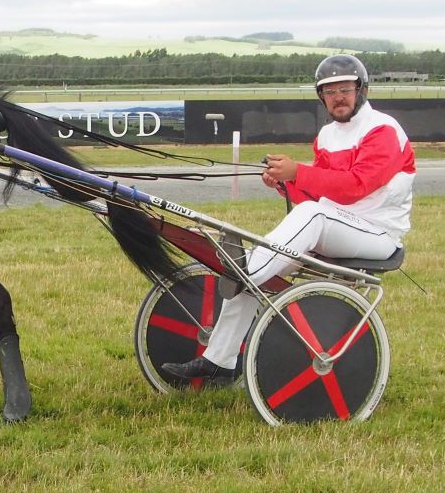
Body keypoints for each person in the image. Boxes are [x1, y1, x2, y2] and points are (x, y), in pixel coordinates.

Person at [162, 54, 416, 383]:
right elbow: (321, 195)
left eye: (345, 89)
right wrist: (286, 185)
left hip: (378, 235)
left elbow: (355, 187)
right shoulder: (327, 136)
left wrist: (298, 171)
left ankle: (248, 271)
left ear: (361, 89)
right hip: (337, 224)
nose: (338, 97)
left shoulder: (382, 129)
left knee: (284, 240)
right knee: (289, 235)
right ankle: (219, 361)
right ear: (321, 96)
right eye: (329, 91)